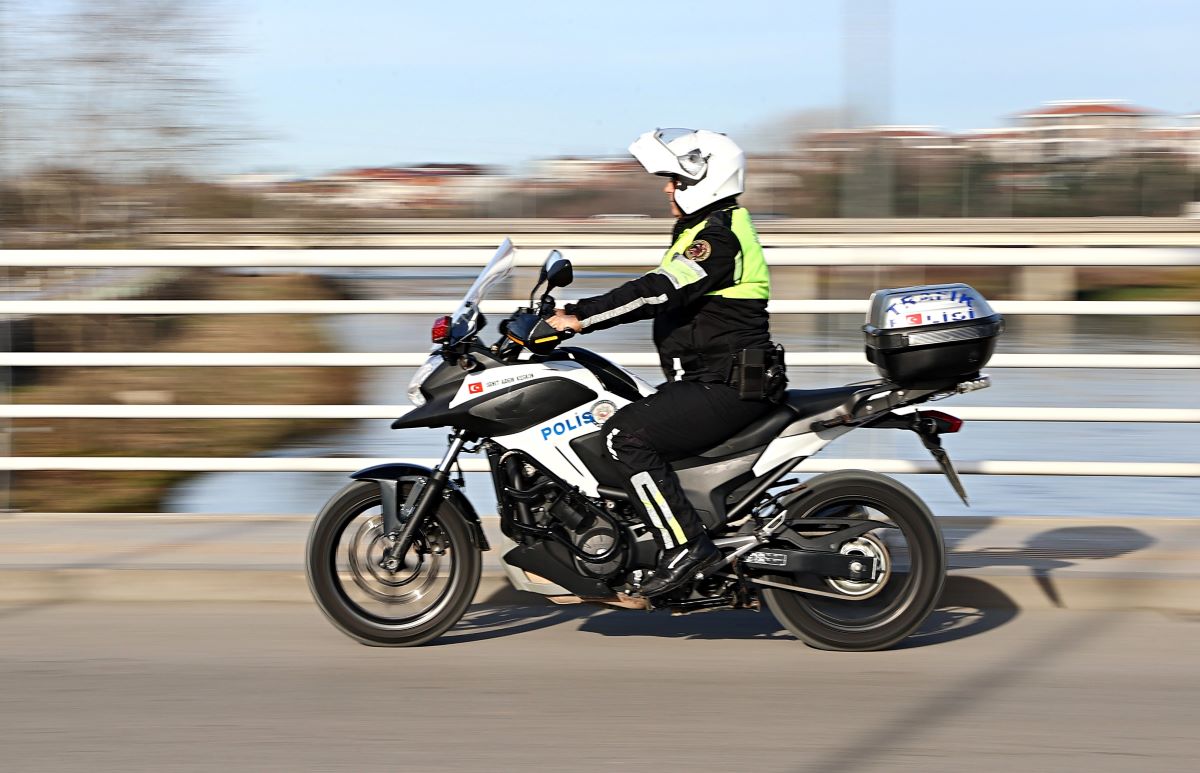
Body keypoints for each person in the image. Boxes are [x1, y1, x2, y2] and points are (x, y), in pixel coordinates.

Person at [547, 128, 783, 598]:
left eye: (675, 180)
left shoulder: (718, 238)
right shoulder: (705, 229)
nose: (667, 189)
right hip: (713, 379)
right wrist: (564, 313)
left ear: (704, 182)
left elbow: (658, 291)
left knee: (623, 437)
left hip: (728, 385)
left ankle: (688, 548)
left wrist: (579, 317)